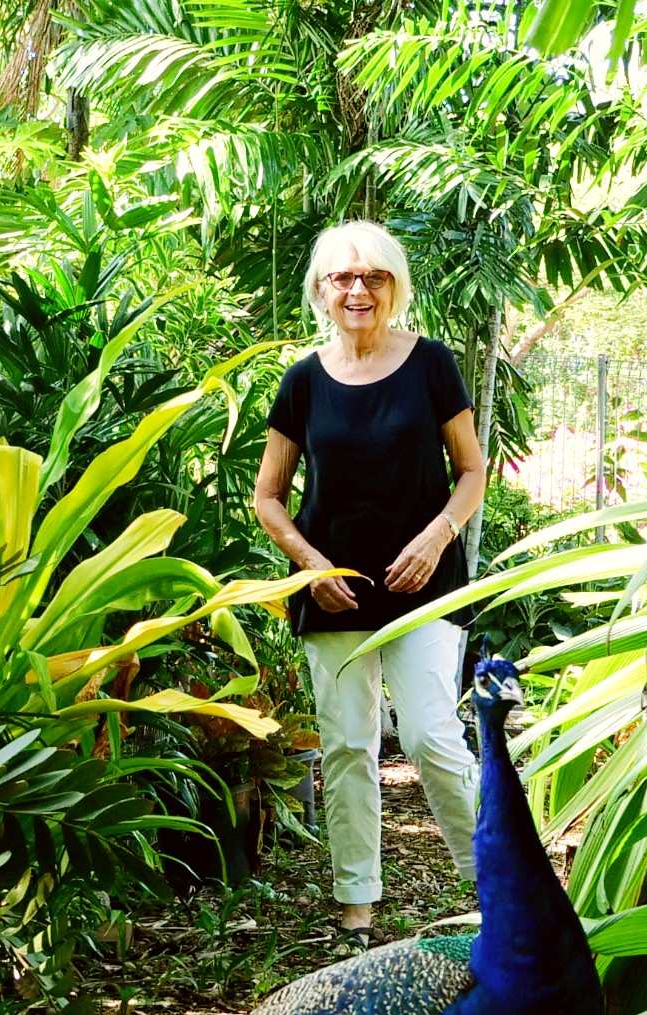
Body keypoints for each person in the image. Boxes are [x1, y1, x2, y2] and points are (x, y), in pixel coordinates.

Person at [252, 220, 488, 946]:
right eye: (342, 278)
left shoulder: (430, 365)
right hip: (335, 591)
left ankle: (495, 888)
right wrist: (311, 567)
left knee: (429, 736)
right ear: (321, 291)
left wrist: (436, 535)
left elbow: (471, 471)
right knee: (348, 745)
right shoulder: (302, 380)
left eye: (374, 278)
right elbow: (268, 496)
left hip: (423, 581)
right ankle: (357, 897)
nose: (357, 289)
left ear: (394, 288)